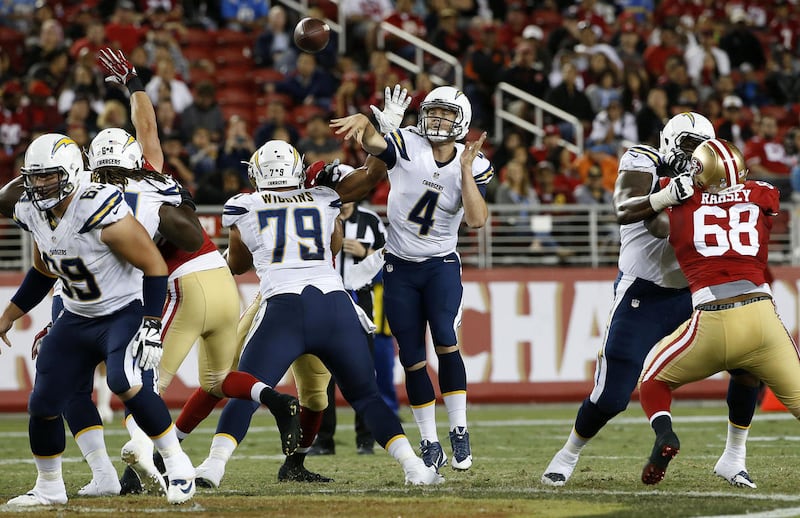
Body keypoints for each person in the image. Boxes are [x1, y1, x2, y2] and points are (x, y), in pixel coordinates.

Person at [194, 140, 443, 486]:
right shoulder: (324, 198)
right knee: (366, 396)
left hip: (284, 307)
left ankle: (213, 466)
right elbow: (335, 246)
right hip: (333, 304)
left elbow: (238, 263)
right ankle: (413, 467)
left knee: (250, 387)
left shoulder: (245, 205)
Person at [540, 112, 761, 489]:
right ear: (670, 142)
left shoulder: (717, 175)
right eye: (689, 145)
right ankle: (569, 453)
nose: (696, 155)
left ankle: (733, 457)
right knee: (611, 396)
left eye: (702, 148)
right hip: (644, 289)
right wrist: (667, 196)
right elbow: (628, 209)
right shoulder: (642, 159)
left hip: (697, 290)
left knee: (748, 361)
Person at [0, 133, 196, 506]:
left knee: (125, 381)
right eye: (35, 177)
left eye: (49, 176)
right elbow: (44, 270)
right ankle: (50, 487)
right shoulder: (34, 210)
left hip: (123, 311)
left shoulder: (97, 206)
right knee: (43, 402)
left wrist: (152, 324)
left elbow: (153, 264)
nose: (40, 185)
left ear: (73, 173)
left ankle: (177, 462)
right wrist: (9, 315)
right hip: (76, 315)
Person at [330, 85, 492, 472]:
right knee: (413, 359)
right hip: (399, 266)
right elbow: (374, 144)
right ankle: (430, 440)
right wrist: (368, 124)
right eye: (432, 112)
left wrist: (466, 170)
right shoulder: (407, 142)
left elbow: (476, 219)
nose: (436, 120)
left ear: (462, 121)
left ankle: (459, 429)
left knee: (446, 340)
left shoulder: (474, 161)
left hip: (440, 265)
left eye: (446, 114)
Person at [634, 138, 797, 485]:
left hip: (712, 318)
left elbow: (642, 215)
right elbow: (757, 196)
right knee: (750, 371)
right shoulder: (760, 194)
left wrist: (666, 194)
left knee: (652, 379)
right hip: (763, 321)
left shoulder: (679, 202)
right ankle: (734, 456)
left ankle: (667, 435)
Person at [309, 198, 387, 456]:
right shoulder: (319, 215)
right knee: (322, 373)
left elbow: (391, 253)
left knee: (363, 371)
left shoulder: (370, 220)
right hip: (325, 297)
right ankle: (323, 439)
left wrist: (366, 253)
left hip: (359, 297)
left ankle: (366, 438)